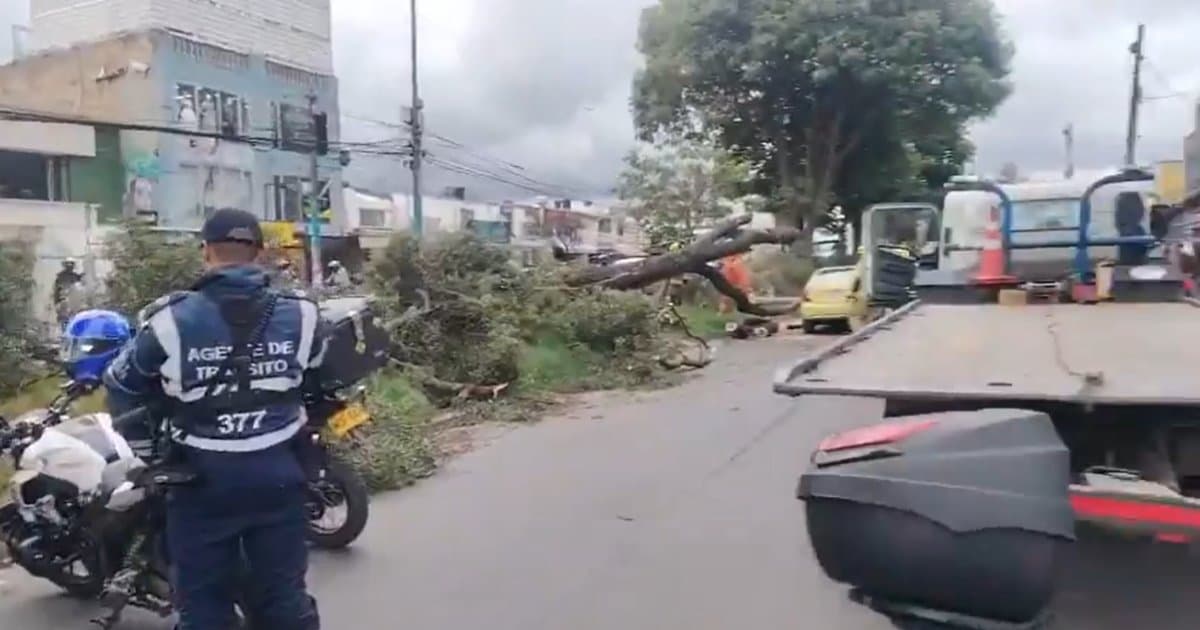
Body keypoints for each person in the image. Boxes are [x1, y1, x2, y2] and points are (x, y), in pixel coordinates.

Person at [103, 208, 325, 630]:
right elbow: (318, 380)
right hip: (280, 475)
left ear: (205, 251)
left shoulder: (169, 320)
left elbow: (121, 384)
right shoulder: (303, 315)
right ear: (259, 252)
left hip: (200, 482)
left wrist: (151, 454)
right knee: (283, 597)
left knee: (204, 605)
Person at [53, 259, 85, 325]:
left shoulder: (76, 276)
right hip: (63, 301)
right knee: (64, 318)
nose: (69, 266)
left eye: (71, 264)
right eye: (68, 264)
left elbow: (80, 290)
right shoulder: (60, 276)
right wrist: (56, 302)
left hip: (74, 301)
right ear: (65, 266)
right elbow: (57, 291)